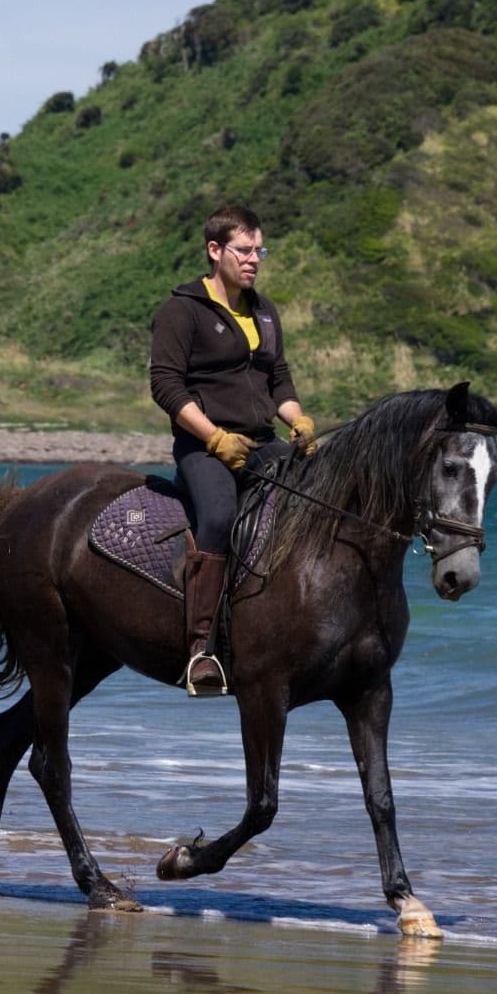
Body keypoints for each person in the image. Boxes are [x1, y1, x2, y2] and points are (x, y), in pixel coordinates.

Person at [148, 205, 316, 694]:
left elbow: (278, 379)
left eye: (259, 250)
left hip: (261, 441)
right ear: (215, 250)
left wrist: (298, 420)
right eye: (244, 250)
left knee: (313, 494)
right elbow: (166, 386)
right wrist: (214, 438)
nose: (254, 260)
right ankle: (201, 648)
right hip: (203, 447)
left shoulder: (264, 310)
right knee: (219, 515)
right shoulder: (182, 310)